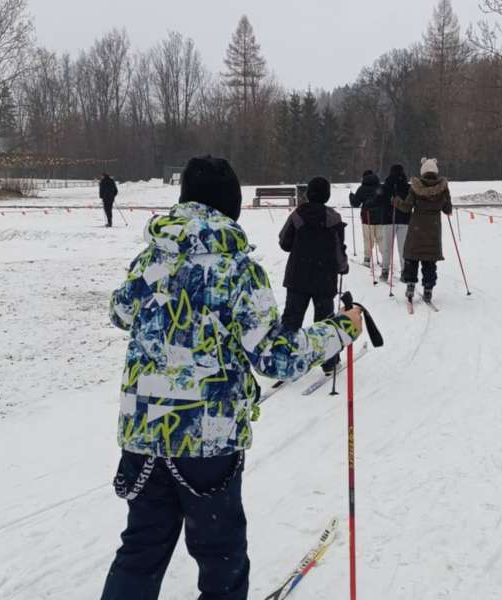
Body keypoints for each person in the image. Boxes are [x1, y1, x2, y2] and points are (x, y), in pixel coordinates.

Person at [101, 155, 363, 600]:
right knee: (220, 556)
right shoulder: (237, 269)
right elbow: (275, 357)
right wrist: (341, 328)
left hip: (144, 431)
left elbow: (120, 312)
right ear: (232, 207)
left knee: (141, 549)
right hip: (208, 441)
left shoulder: (151, 258)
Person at [278, 176, 349, 375]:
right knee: (325, 322)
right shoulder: (333, 218)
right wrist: (342, 266)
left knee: (291, 320)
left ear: (308, 193)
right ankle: (329, 362)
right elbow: (338, 249)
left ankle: (284, 359)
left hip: (297, 276)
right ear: (327, 195)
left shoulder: (297, 215)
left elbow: (284, 242)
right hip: (324, 278)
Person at [395, 157, 452, 303]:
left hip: (416, 228)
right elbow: (447, 209)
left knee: (412, 258)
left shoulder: (415, 187)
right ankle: (428, 288)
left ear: (423, 171)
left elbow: (406, 207)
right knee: (429, 259)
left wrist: (396, 202)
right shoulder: (443, 187)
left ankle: (410, 285)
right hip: (433, 229)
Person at [380, 164, 411, 282]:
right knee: (403, 248)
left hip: (388, 220)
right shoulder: (407, 187)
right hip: (404, 220)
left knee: (387, 247)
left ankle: (385, 270)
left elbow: (378, 200)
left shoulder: (385, 185)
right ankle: (404, 272)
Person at [349, 170, 382, 267]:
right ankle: (385, 259)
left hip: (367, 217)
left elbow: (355, 203)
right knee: (381, 239)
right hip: (381, 217)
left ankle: (367, 259)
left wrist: (351, 197)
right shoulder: (380, 187)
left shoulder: (362, 188)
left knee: (368, 239)